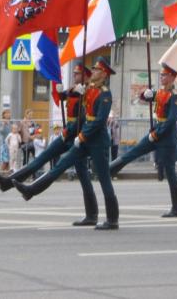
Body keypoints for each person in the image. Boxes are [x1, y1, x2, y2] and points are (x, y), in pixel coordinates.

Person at [13, 57, 119, 230]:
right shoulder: (89, 89)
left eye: (97, 70)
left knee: (104, 179)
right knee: (60, 166)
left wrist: (82, 135)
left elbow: (99, 121)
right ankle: (31, 190)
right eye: (93, 69)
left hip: (97, 141)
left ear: (104, 74)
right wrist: (65, 92)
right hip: (84, 139)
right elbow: (77, 106)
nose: (93, 72)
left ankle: (112, 219)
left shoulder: (105, 94)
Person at [0, 64, 99, 226]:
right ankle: (7, 182)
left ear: (85, 76)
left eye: (77, 74)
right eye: (74, 73)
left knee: (76, 174)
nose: (75, 76)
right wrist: (61, 90)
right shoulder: (76, 90)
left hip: (77, 137)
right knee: (40, 159)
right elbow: (64, 98)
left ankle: (91, 215)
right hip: (68, 135)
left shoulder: (89, 93)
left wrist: (79, 100)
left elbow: (83, 118)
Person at [109, 63, 177, 217]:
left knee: (170, 173)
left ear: (171, 77)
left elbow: (171, 120)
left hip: (166, 138)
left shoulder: (175, 95)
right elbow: (146, 97)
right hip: (156, 132)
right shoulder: (161, 92)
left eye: (164, 75)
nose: (161, 77)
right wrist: (146, 94)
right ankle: (111, 169)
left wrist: (157, 134)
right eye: (161, 75)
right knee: (135, 151)